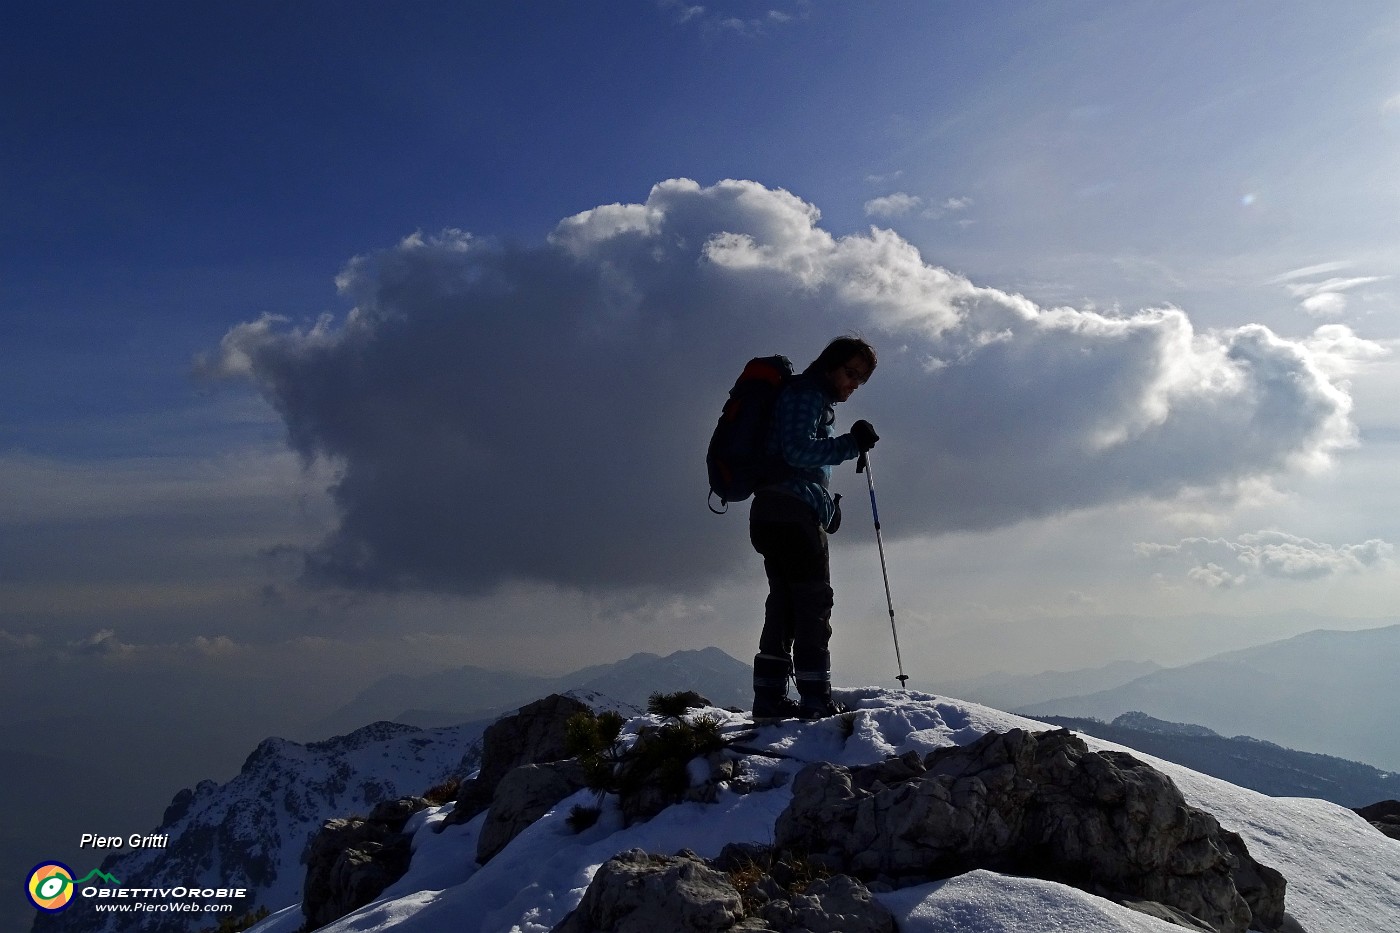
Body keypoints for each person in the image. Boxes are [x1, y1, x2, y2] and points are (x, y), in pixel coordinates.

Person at [750, 336, 879, 720]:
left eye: (860, 379)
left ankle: (769, 698)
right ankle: (814, 698)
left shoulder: (804, 397)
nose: (852, 384)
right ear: (829, 365)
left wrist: (825, 506)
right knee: (812, 602)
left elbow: (794, 461)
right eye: (849, 373)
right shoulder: (806, 394)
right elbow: (798, 451)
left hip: (772, 513)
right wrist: (849, 445)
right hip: (792, 515)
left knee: (785, 603)